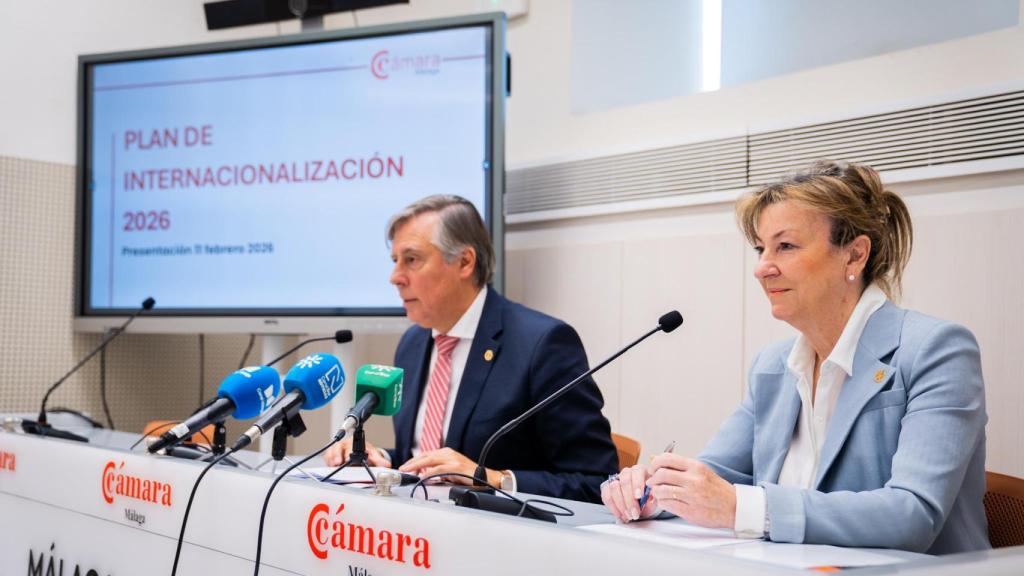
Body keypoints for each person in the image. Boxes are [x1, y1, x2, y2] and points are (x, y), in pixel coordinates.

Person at [602, 160, 989, 554]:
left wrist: (742, 507)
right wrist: (658, 494)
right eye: (760, 248)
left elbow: (912, 514)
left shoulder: (937, 351)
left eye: (784, 246)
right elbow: (715, 478)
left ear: (854, 256)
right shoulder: (773, 366)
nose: (761, 268)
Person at [324, 195, 618, 502]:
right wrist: (379, 457)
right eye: (395, 261)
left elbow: (597, 480)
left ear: (465, 261)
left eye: (411, 260)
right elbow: (431, 457)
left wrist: (491, 479)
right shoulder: (413, 343)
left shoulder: (543, 344)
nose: (395, 277)